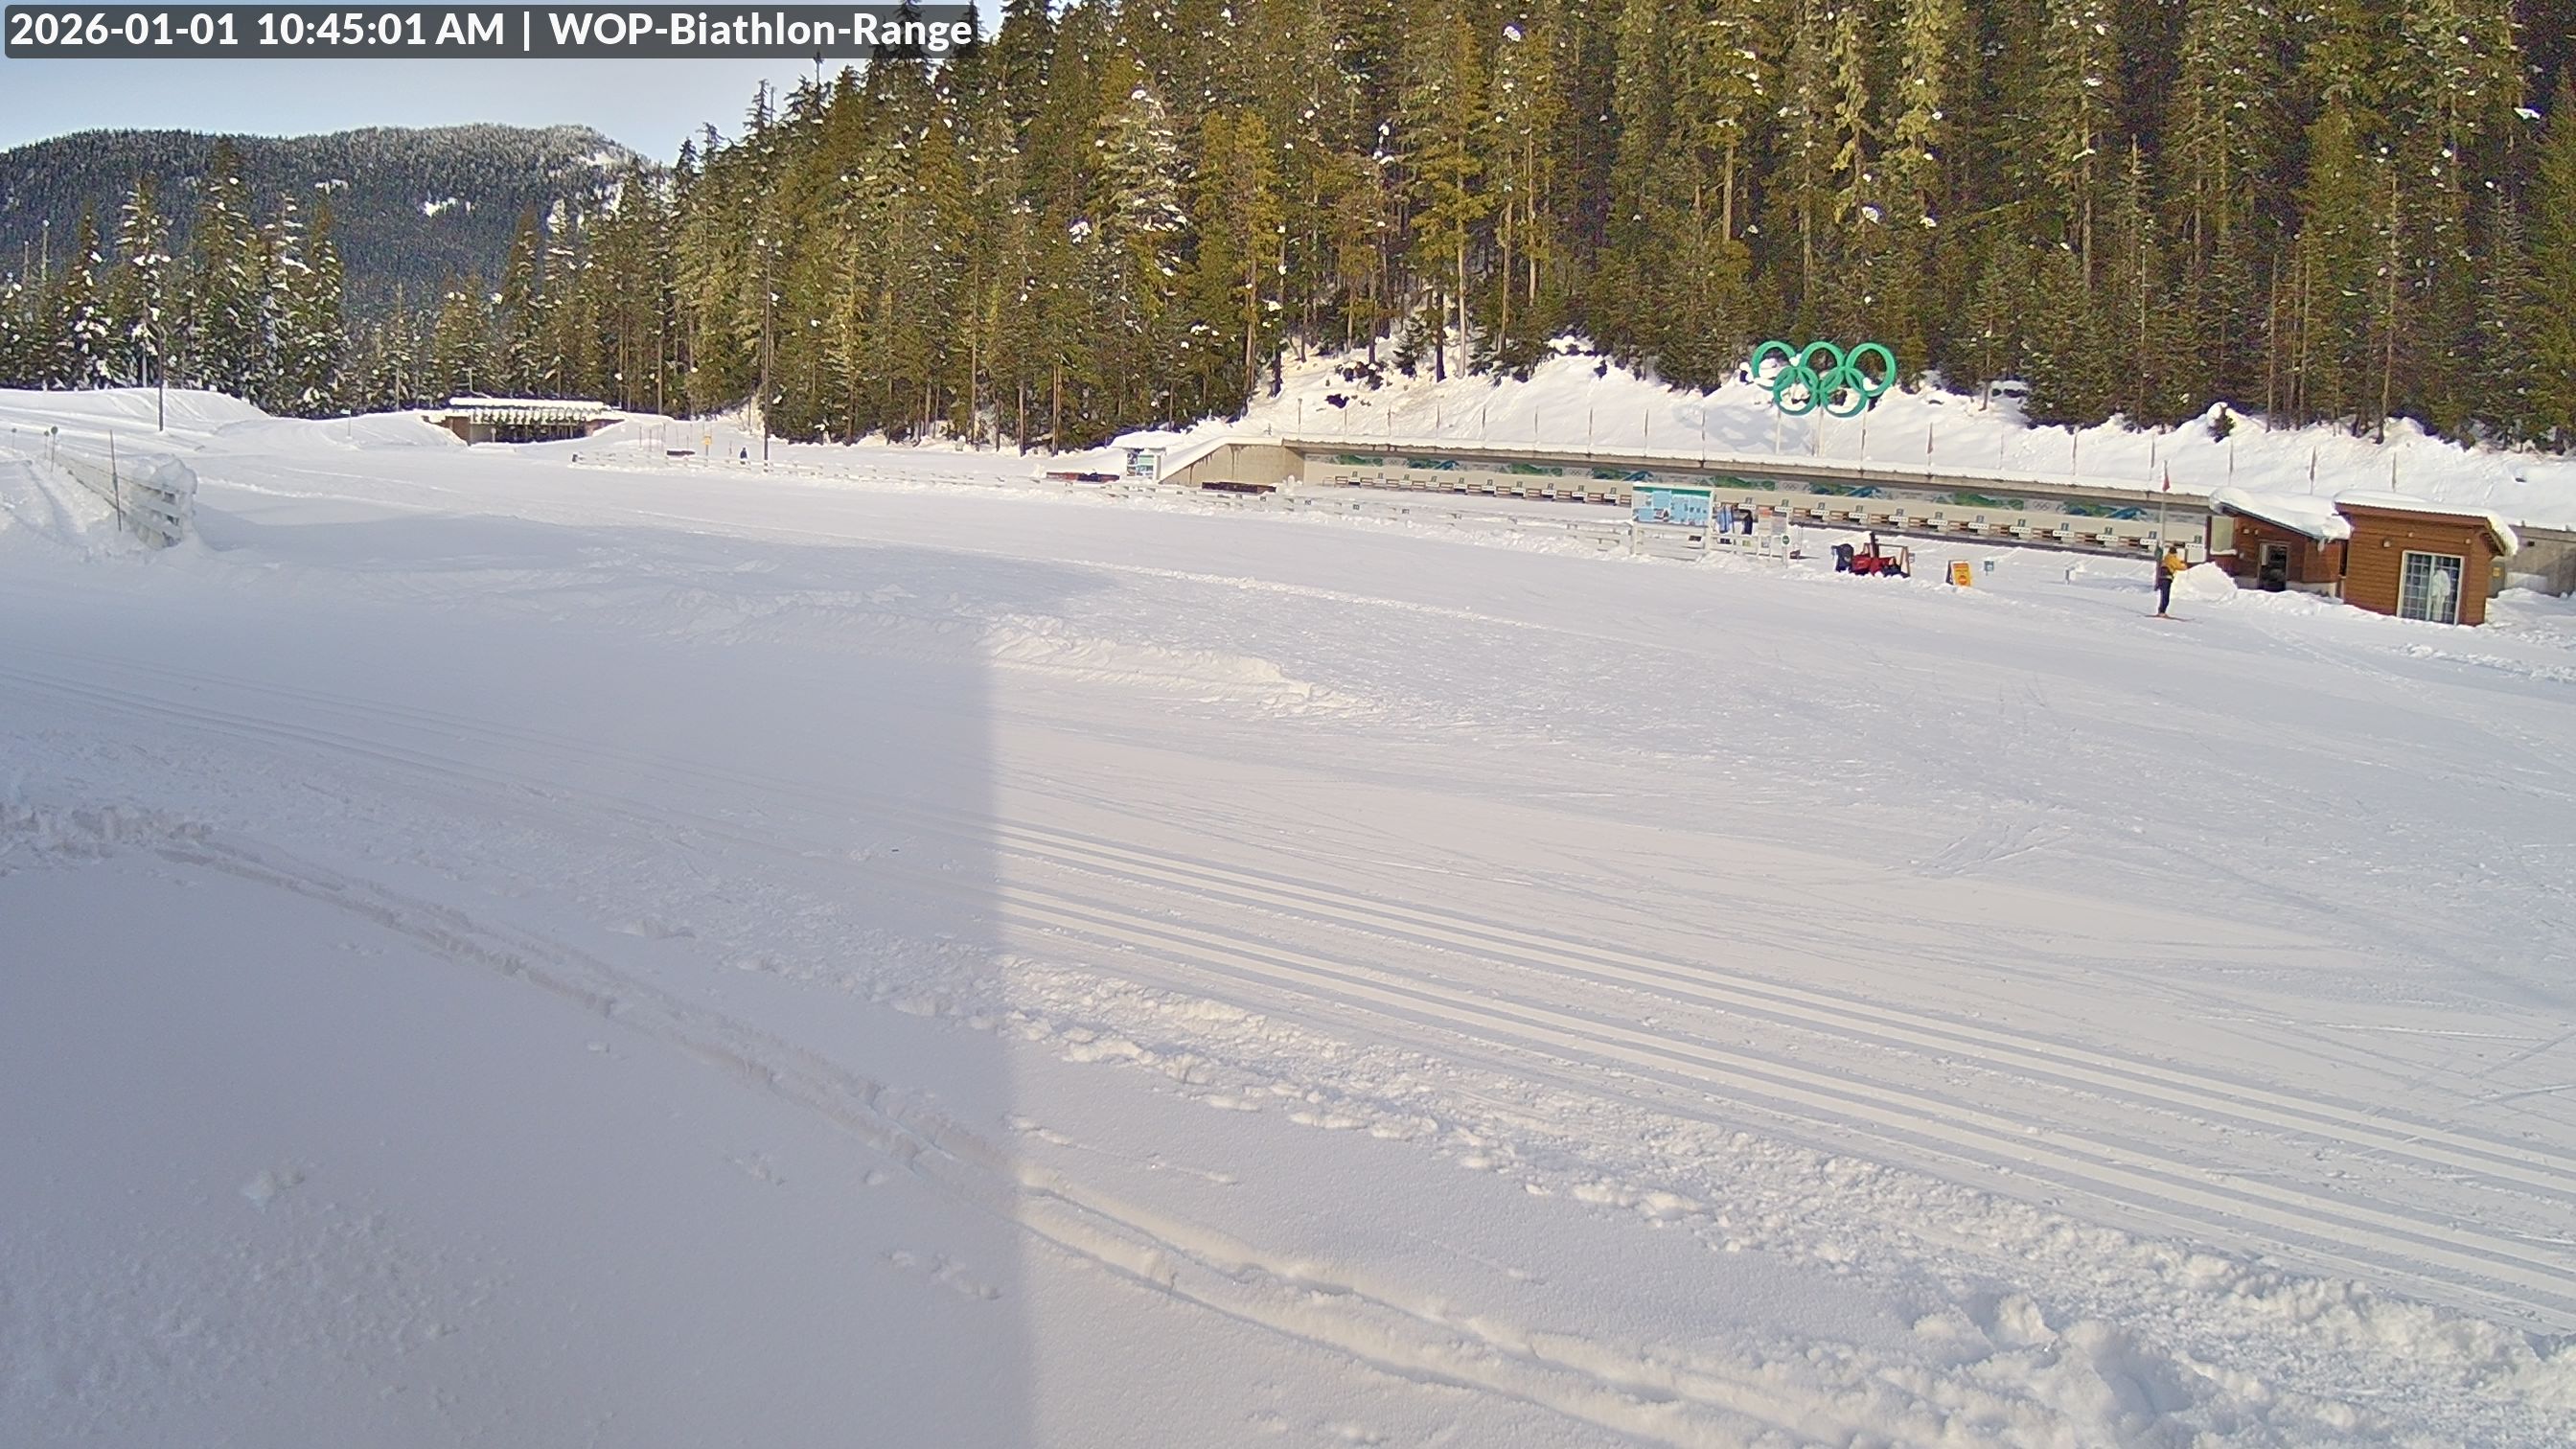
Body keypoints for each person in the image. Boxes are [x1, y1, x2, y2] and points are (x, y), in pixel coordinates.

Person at [2155, 545, 2187, 616]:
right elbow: (2179, 566)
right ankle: (2162, 612)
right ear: (2174, 553)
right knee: (2166, 597)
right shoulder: (2172, 558)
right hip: (2166, 579)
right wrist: (2184, 566)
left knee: (2163, 596)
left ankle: (2161, 611)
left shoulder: (2166, 558)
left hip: (2162, 578)